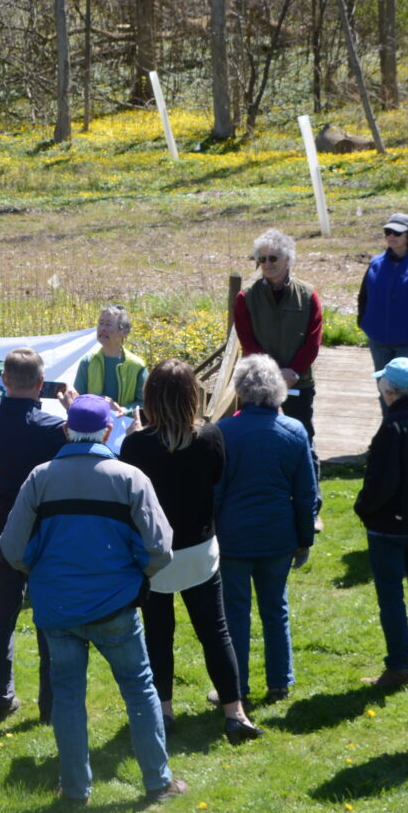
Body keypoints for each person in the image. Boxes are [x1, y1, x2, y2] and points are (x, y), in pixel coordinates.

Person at [1, 395, 186, 804]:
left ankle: (75, 788)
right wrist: (137, 572)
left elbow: (12, 547)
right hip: (116, 605)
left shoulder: (40, 477)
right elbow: (161, 548)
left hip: (57, 608)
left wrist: (40, 570)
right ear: (107, 432)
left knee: (67, 697)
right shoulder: (129, 478)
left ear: (67, 430)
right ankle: (158, 782)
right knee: (139, 689)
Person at [119, 360, 262, 741]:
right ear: (191, 396)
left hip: (155, 554)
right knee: (216, 633)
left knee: (158, 634)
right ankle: (235, 713)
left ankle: (163, 713)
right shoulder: (210, 436)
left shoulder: (136, 444)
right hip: (198, 550)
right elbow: (216, 478)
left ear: (151, 398)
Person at [0, 347, 68, 723]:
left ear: (4, 381)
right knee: (48, 618)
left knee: (1, 614)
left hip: (0, 532)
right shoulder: (51, 430)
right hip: (42, 532)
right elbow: (80, 438)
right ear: (41, 385)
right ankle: (51, 705)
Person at [213, 356, 318, 703]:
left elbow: (215, 492)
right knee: (276, 609)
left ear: (241, 390)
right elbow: (306, 494)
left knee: (235, 614)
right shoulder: (294, 431)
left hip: (234, 539)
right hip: (277, 537)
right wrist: (304, 539)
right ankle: (279, 681)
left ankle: (236, 686)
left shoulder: (224, 432)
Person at [351, 357, 408, 692]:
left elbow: (381, 481)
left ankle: (398, 665)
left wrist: (363, 508)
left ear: (389, 391)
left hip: (389, 528)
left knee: (391, 598)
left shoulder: (392, 427)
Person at [232, 229, 324, 447]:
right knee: (257, 437)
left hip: (297, 380)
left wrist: (293, 371)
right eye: (261, 258)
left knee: (302, 437)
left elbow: (313, 340)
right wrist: (272, 373)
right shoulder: (246, 297)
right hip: (259, 382)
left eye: (273, 258)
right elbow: (247, 340)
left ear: (288, 259)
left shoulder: (308, 295)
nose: (267, 263)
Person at [356, 212, 408, 369]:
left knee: (407, 388)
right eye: (388, 232)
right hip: (378, 339)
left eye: (397, 233)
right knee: (384, 386)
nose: (391, 236)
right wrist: (364, 322)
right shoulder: (375, 263)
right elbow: (364, 296)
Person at [74, 305, 148, 408]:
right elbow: (77, 399)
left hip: (126, 423)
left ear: (124, 332)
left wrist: (123, 411)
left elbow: (145, 403)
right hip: (93, 423)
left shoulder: (137, 366)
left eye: (108, 325)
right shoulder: (88, 362)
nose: (102, 329)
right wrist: (97, 403)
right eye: (100, 323)